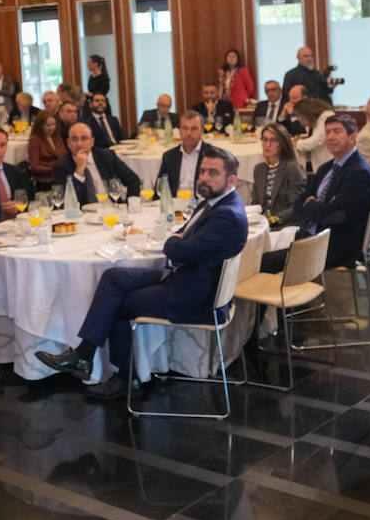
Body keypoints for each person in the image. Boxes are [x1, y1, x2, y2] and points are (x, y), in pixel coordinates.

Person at [36, 146, 248, 400]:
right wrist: (178, 239)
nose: (203, 177)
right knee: (113, 277)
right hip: (188, 279)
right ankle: (83, 355)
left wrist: (174, 240)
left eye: (213, 173)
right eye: (202, 171)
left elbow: (179, 250)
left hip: (195, 297)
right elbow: (184, 234)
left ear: (231, 180)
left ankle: (126, 378)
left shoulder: (226, 216)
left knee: (120, 304)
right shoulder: (216, 202)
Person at [293, 114, 370, 268]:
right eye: (328, 132)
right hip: (309, 237)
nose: (331, 137)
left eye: (337, 131)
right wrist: (318, 207)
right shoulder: (326, 168)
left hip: (335, 247)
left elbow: (334, 216)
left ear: (353, 137)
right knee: (264, 257)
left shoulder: (359, 173)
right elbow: (298, 205)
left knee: (266, 263)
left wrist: (312, 205)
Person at [51, 122, 142, 204]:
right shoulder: (61, 166)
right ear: (68, 143)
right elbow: (65, 201)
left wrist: (131, 203)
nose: (79, 143)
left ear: (92, 142)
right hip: (82, 215)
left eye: (84, 138)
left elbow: (133, 181)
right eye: (74, 139)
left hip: (111, 210)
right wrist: (79, 170)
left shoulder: (107, 156)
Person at [252, 122, 306, 227]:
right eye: (265, 139)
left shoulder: (292, 169)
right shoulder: (259, 169)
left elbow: (297, 206)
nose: (268, 144)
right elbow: (255, 204)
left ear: (282, 144)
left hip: (285, 225)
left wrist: (273, 220)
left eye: (273, 140)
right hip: (263, 225)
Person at [155, 110, 219, 197]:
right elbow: (160, 190)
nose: (189, 133)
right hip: (175, 206)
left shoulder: (213, 155)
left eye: (194, 128)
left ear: (202, 131)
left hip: (203, 205)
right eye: (185, 128)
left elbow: (219, 191)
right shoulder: (169, 156)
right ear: (179, 131)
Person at [291, 97, 336, 173]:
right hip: (320, 164)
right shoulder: (317, 120)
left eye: (299, 116)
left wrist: (295, 143)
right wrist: (304, 138)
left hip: (328, 163)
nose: (298, 120)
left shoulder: (326, 117)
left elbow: (317, 140)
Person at [26, 110, 66, 191]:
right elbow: (34, 166)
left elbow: (64, 155)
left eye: (54, 124)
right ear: (40, 125)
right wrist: (55, 169)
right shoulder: (35, 139)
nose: (52, 128)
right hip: (45, 181)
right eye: (48, 125)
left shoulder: (56, 136)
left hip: (59, 178)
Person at [218, 47, 255, 111]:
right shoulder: (223, 72)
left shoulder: (243, 71)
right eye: (229, 56)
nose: (231, 58)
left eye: (233, 56)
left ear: (237, 59)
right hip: (226, 101)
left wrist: (242, 96)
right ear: (226, 59)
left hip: (239, 102)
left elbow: (250, 88)